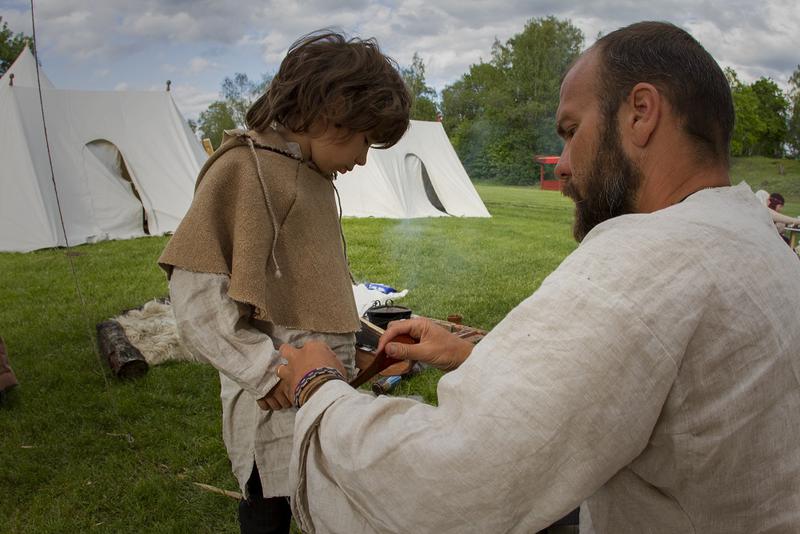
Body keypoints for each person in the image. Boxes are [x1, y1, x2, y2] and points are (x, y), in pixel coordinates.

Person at [276, 21, 800, 533]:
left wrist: (318, 387)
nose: (565, 164)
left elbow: (455, 483)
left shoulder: (650, 255)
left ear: (641, 113)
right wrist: (475, 355)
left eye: (572, 132)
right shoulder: (753, 238)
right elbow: (649, 395)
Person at [158, 31, 410, 534]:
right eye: (365, 139)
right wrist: (263, 369)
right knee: (267, 511)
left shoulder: (313, 178)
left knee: (326, 501)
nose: (363, 159)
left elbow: (312, 286)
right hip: (273, 404)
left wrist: (357, 345)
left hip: (322, 396)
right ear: (330, 111)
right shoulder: (242, 171)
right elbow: (197, 300)